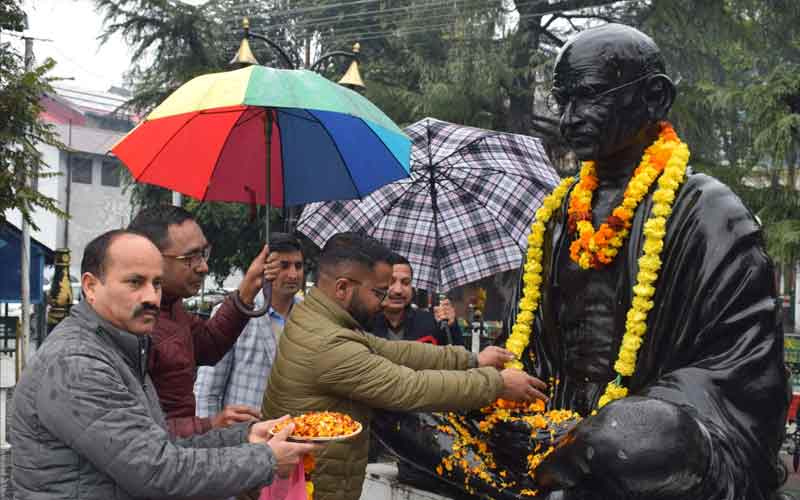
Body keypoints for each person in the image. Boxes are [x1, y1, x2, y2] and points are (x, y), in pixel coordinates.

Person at [382, 23, 789, 500]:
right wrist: (508, 399)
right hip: (551, 422)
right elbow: (525, 346)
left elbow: (745, 376)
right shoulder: (557, 215)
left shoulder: (707, 212)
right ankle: (536, 480)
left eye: (590, 96)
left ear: (654, 98)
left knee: (639, 433)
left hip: (653, 431)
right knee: (401, 404)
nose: (570, 118)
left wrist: (597, 430)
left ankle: (553, 472)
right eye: (563, 101)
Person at [11, 229, 320, 500]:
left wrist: (245, 437)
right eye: (135, 282)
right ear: (90, 287)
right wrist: (263, 460)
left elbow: (160, 445)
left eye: (156, 284)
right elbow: (156, 470)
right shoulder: (79, 363)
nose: (151, 297)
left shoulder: (123, 346)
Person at [262, 232, 548, 500]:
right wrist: (497, 384)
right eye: (379, 292)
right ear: (342, 288)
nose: (385, 301)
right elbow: (409, 387)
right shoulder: (328, 343)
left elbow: (393, 351)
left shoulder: (317, 318)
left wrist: (472, 359)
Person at [128, 205, 277, 437]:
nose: (203, 267)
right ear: (150, 257)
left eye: (204, 254)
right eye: (190, 257)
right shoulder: (129, 324)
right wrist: (209, 425)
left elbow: (208, 344)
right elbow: (133, 432)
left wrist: (247, 289)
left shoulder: (171, 306)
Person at [195, 232, 304, 418]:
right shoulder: (236, 314)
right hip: (243, 435)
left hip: (293, 433)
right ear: (264, 266)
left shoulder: (308, 314)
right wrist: (209, 437)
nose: (293, 274)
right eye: (284, 266)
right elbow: (207, 391)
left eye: (298, 266)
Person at [372, 252, 463, 345]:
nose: (398, 290)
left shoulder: (431, 323)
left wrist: (451, 327)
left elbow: (457, 355)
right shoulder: (364, 325)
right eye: (391, 282)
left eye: (405, 282)